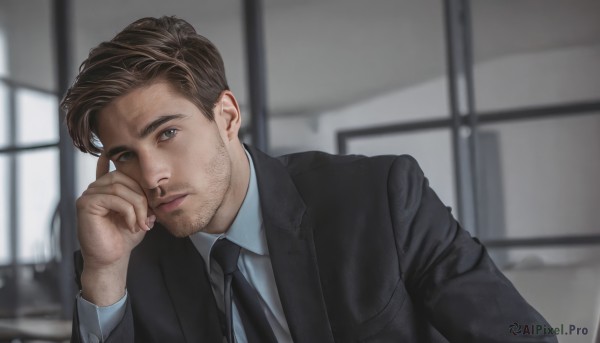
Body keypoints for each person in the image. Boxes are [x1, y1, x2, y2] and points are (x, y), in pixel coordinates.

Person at [62, 16, 556, 343]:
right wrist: (103, 275)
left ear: (228, 117)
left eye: (167, 133)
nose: (152, 176)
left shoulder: (378, 199)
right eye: (126, 155)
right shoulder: (130, 260)